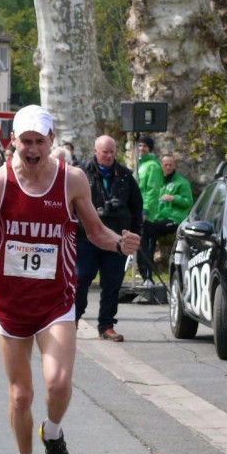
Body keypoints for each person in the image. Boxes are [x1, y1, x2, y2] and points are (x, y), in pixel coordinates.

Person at [0, 105, 140, 454]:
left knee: (57, 383)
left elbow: (95, 231)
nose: (33, 149)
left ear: (51, 141)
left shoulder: (71, 180)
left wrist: (119, 243)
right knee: (21, 395)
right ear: (13, 142)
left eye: (40, 141)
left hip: (55, 301)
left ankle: (53, 434)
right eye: (26, 141)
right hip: (10, 303)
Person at [75, 135, 143, 341]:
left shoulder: (124, 176)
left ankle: (106, 326)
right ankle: (73, 320)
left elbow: (137, 207)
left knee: (112, 284)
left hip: (115, 241)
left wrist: (134, 236)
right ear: (95, 151)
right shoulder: (80, 174)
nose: (109, 156)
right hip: (85, 238)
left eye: (112, 152)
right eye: (105, 152)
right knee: (80, 280)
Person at [144, 154, 194, 266]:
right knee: (145, 228)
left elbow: (189, 202)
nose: (168, 167)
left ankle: (148, 265)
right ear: (161, 165)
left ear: (174, 165)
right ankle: (145, 264)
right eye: (165, 165)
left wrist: (174, 198)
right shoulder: (157, 182)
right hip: (158, 217)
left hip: (175, 219)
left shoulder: (182, 182)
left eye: (170, 165)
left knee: (151, 229)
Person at [135, 136, 164, 286]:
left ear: (150, 148)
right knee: (138, 244)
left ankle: (148, 277)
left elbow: (152, 191)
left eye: (145, 146)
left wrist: (145, 211)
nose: (141, 149)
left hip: (146, 213)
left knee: (145, 246)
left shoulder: (152, 166)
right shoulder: (140, 164)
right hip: (137, 210)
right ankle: (144, 277)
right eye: (139, 146)